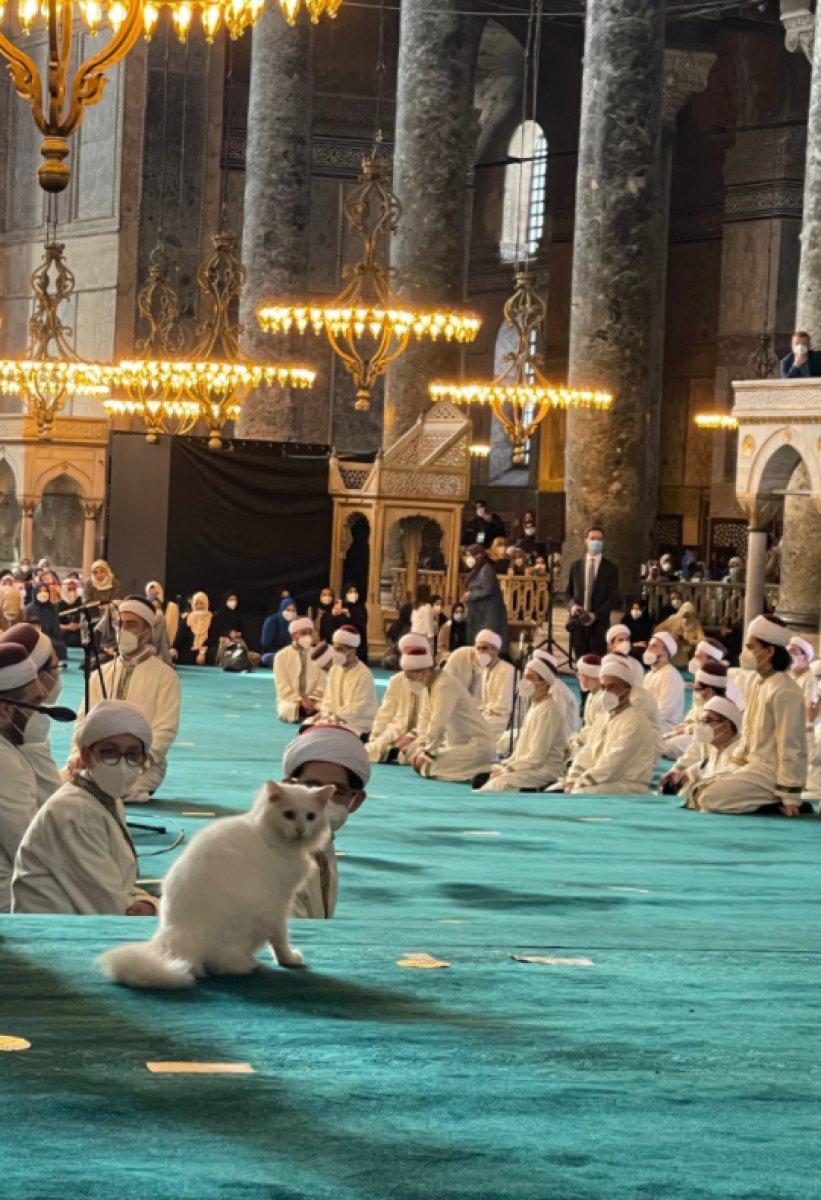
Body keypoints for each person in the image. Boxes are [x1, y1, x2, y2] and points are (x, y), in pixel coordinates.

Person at [11, 700, 158, 916]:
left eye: (132, 754)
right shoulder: (76, 812)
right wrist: (152, 906)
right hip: (54, 930)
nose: (122, 764)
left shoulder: (104, 796)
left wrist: (147, 903)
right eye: (109, 752)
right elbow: (111, 909)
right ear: (87, 756)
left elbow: (119, 886)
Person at [67, 596, 181, 804]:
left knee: (110, 791)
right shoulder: (101, 674)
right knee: (61, 784)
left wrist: (138, 761)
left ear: (147, 631)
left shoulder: (165, 676)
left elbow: (166, 729)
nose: (123, 630)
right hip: (97, 760)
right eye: (120, 624)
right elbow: (83, 721)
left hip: (142, 766)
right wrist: (78, 755)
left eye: (131, 624)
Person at [691, 615, 807, 815]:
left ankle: (773, 804)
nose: (745, 653)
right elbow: (747, 732)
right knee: (695, 791)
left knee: (708, 798)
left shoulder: (785, 690)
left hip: (770, 773)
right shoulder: (757, 681)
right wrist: (735, 765)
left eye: (751, 647)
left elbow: (791, 745)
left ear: (769, 652)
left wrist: (790, 795)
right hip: (751, 766)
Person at [282, 722, 370, 919]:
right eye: (311, 787)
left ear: (355, 801)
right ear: (287, 788)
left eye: (336, 792)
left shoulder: (323, 846)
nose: (322, 801)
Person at [559, 654, 657, 795]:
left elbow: (614, 762)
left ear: (627, 690)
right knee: (563, 788)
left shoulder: (635, 721)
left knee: (579, 793)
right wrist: (573, 778)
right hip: (607, 780)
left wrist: (581, 781)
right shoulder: (604, 716)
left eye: (611, 687)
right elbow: (588, 750)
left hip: (629, 784)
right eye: (603, 687)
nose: (606, 693)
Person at [400, 643, 496, 783]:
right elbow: (425, 719)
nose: (412, 683)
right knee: (407, 753)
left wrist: (427, 754)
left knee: (428, 766)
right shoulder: (429, 684)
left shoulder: (444, 685)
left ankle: (485, 770)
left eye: (413, 678)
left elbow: (438, 724)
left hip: (476, 745)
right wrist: (421, 746)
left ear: (424, 671)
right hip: (452, 743)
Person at [474, 657, 566, 792]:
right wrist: (505, 766)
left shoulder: (548, 710)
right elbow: (521, 752)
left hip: (544, 770)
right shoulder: (536, 705)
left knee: (496, 785)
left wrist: (507, 770)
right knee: (480, 778)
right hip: (527, 766)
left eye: (530, 678)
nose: (524, 681)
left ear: (545, 682)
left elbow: (536, 757)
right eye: (524, 677)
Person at [0, 623, 62, 806]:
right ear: (40, 678)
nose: (59, 673)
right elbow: (53, 804)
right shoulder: (27, 726)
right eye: (56, 667)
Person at [0, 643, 42, 910]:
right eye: (36, 703)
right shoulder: (3, 761)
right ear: (5, 710)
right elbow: (28, 851)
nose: (42, 711)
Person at [365, 633, 430, 764]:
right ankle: (393, 751)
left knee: (416, 752)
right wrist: (376, 736)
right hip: (397, 730)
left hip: (424, 734)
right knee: (370, 750)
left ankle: (396, 753)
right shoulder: (397, 680)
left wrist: (415, 733)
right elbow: (385, 712)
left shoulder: (433, 681)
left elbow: (433, 719)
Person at [659, 661, 732, 775]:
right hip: (704, 760)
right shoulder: (706, 706)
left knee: (669, 745)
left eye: (696, 689)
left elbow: (714, 758)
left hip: (723, 769)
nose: (694, 693)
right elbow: (696, 749)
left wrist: (685, 772)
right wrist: (676, 770)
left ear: (708, 691)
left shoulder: (723, 714)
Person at [675, 698, 744, 808]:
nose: (701, 726)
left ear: (725, 726)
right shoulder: (716, 749)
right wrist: (685, 774)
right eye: (700, 721)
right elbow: (702, 767)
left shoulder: (738, 752)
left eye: (706, 721)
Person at [566, 526, 620, 658]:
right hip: (578, 623)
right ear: (586, 541)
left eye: (599, 539)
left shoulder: (611, 569)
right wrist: (572, 606)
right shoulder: (576, 566)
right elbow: (568, 593)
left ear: (603, 542)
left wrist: (595, 615)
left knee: (596, 662)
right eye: (592, 538)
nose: (596, 542)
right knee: (580, 662)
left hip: (599, 624)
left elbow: (613, 598)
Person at [317, 626, 378, 738]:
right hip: (335, 720)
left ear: (352, 650)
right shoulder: (335, 669)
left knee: (327, 735)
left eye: (340, 649)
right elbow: (328, 700)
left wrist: (334, 718)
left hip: (357, 724)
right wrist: (326, 715)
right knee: (307, 727)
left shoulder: (364, 674)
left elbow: (358, 708)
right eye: (335, 648)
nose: (336, 653)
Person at [274, 615, 325, 724]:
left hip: (315, 701)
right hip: (291, 701)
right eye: (303, 633)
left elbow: (321, 683)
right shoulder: (281, 656)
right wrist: (300, 701)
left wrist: (312, 699)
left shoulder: (317, 654)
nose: (307, 636)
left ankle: (310, 713)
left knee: (328, 708)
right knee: (287, 709)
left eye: (309, 633)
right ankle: (306, 713)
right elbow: (282, 686)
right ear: (293, 635)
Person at [467, 629, 515, 741]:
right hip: (488, 716)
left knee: (472, 730)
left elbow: (504, 706)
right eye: (478, 648)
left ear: (496, 650)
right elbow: (484, 702)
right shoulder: (484, 670)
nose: (481, 652)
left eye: (484, 648)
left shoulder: (507, 670)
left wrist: (483, 713)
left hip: (502, 719)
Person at [463, 545, 508, 648]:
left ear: (478, 556)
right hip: (479, 613)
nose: (468, 559)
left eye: (470, 556)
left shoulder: (486, 570)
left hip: (487, 615)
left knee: (486, 642)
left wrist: (470, 595)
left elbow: (488, 589)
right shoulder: (477, 569)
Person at [642, 631, 685, 735]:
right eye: (649, 645)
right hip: (649, 723)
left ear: (666, 652)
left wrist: (640, 722)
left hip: (666, 728)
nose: (648, 649)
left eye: (654, 646)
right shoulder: (649, 675)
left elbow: (664, 710)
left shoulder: (670, 675)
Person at [567, 654, 606, 756]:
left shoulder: (603, 698)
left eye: (579, 675)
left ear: (585, 677)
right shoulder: (592, 694)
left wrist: (578, 738)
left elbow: (597, 730)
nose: (579, 678)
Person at [26, 581, 67, 664]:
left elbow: (56, 630)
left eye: (45, 591)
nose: (43, 593)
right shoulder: (27, 609)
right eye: (40, 591)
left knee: (60, 649)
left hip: (49, 638)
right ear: (35, 593)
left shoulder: (52, 608)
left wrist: (59, 642)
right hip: (34, 639)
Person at [655, 600, 704, 666]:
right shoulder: (673, 619)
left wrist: (691, 642)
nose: (686, 620)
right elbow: (657, 630)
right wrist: (669, 638)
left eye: (688, 617)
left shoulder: (695, 623)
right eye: (684, 616)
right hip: (670, 653)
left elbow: (702, 640)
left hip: (683, 657)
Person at [209, 591, 246, 663]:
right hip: (221, 642)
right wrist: (228, 633)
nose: (233, 601)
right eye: (231, 599)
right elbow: (214, 632)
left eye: (235, 599)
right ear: (225, 600)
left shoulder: (238, 615)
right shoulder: (218, 615)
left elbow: (242, 630)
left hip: (236, 641)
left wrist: (239, 633)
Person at [146, 581, 180, 654]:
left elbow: (173, 629)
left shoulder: (171, 607)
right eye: (151, 595)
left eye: (156, 594)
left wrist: (170, 647)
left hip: (165, 645)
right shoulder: (145, 608)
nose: (154, 597)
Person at [262, 598, 298, 666]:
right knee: (266, 658)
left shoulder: (296, 623)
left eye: (293, 611)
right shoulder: (271, 621)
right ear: (282, 609)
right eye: (288, 610)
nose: (291, 613)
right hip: (274, 653)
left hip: (290, 653)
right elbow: (265, 645)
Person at [341, 584, 368, 662]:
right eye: (350, 592)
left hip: (358, 640)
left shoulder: (361, 607)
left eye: (355, 591)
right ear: (345, 593)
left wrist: (349, 616)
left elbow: (362, 624)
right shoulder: (341, 606)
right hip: (344, 641)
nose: (353, 594)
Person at [56, 577, 83, 648]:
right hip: (64, 631)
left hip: (79, 630)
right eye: (69, 589)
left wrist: (78, 625)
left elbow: (85, 618)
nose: (72, 591)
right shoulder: (59, 604)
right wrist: (68, 627)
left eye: (74, 589)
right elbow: (55, 624)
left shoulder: (80, 601)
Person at [410, 584, 436, 650]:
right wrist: (431, 642)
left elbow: (412, 621)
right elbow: (429, 625)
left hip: (413, 636)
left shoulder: (415, 607)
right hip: (423, 638)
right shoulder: (427, 607)